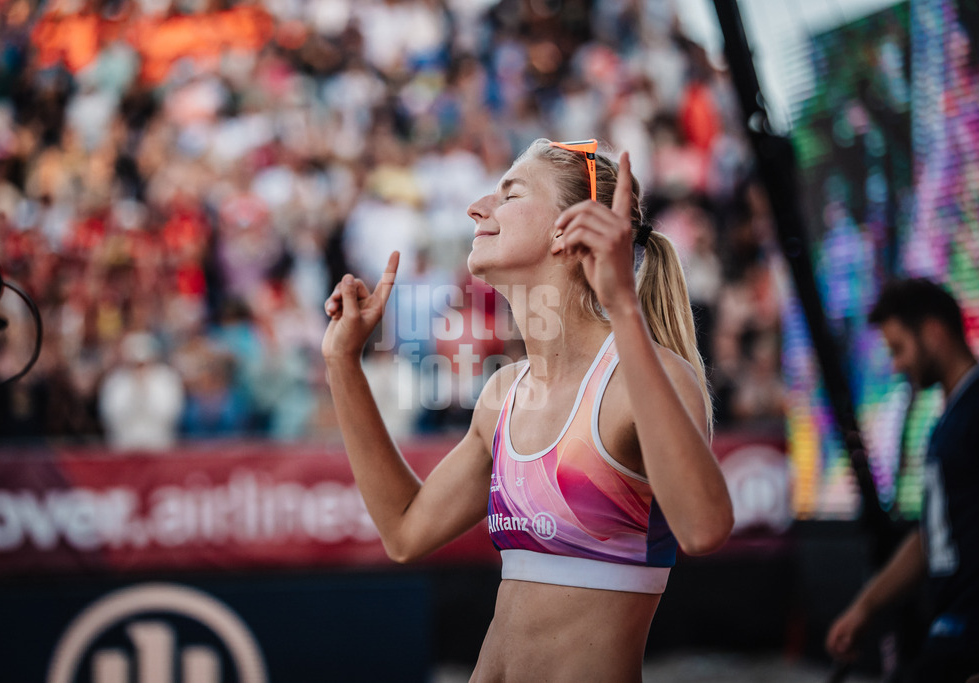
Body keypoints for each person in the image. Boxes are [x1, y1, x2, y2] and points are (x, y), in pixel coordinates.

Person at [321, 138, 733, 680]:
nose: (476, 208)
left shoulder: (643, 376)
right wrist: (343, 364)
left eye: (509, 193)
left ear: (569, 228)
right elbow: (404, 532)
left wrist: (621, 306)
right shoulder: (503, 394)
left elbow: (704, 529)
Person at [826, 278, 979, 682]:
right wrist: (865, 606)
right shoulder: (950, 419)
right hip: (952, 636)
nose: (895, 365)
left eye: (898, 349)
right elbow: (930, 535)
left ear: (933, 332)